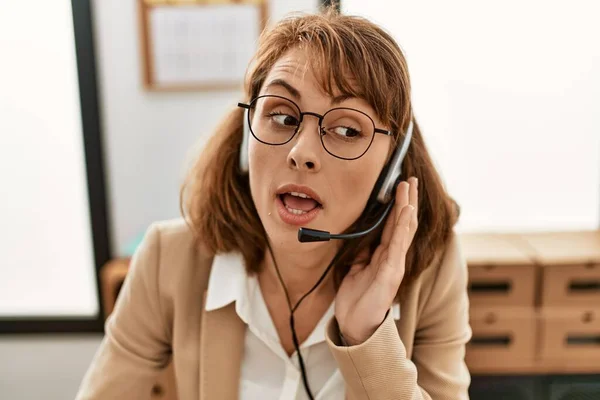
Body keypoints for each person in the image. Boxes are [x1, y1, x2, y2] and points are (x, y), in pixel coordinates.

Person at [76, 7, 471, 400]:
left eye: (347, 129)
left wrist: (368, 337)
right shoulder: (169, 257)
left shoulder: (431, 269)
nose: (302, 152)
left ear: (390, 168)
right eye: (282, 117)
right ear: (247, 139)